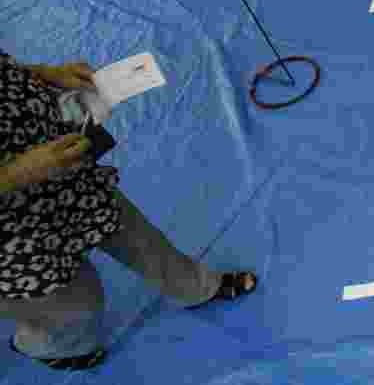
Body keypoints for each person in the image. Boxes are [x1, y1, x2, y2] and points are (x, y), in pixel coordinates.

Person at [0, 50, 258, 371]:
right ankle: (53, 346)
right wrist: (16, 173)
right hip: (12, 239)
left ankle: (196, 287)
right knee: (74, 305)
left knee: (135, 235)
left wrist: (41, 72)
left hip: (59, 172)